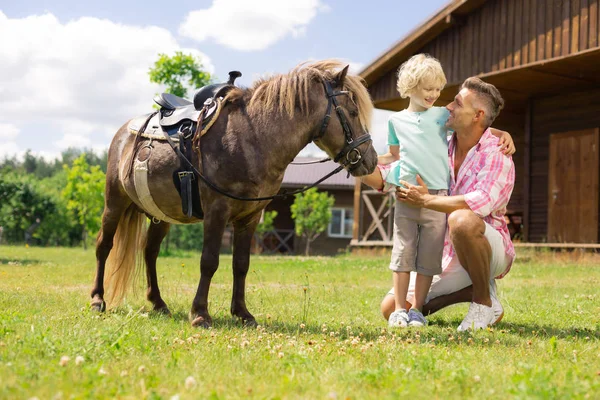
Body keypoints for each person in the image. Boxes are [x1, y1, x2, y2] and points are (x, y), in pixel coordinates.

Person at [361, 54, 515, 329]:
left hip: (489, 245)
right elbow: (393, 169)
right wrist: (356, 164)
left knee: (462, 218)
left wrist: (427, 200)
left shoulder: (497, 153)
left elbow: (480, 202)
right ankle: (467, 292)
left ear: (478, 115)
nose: (447, 105)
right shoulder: (440, 143)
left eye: (457, 103)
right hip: (449, 250)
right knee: (390, 308)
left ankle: (483, 304)